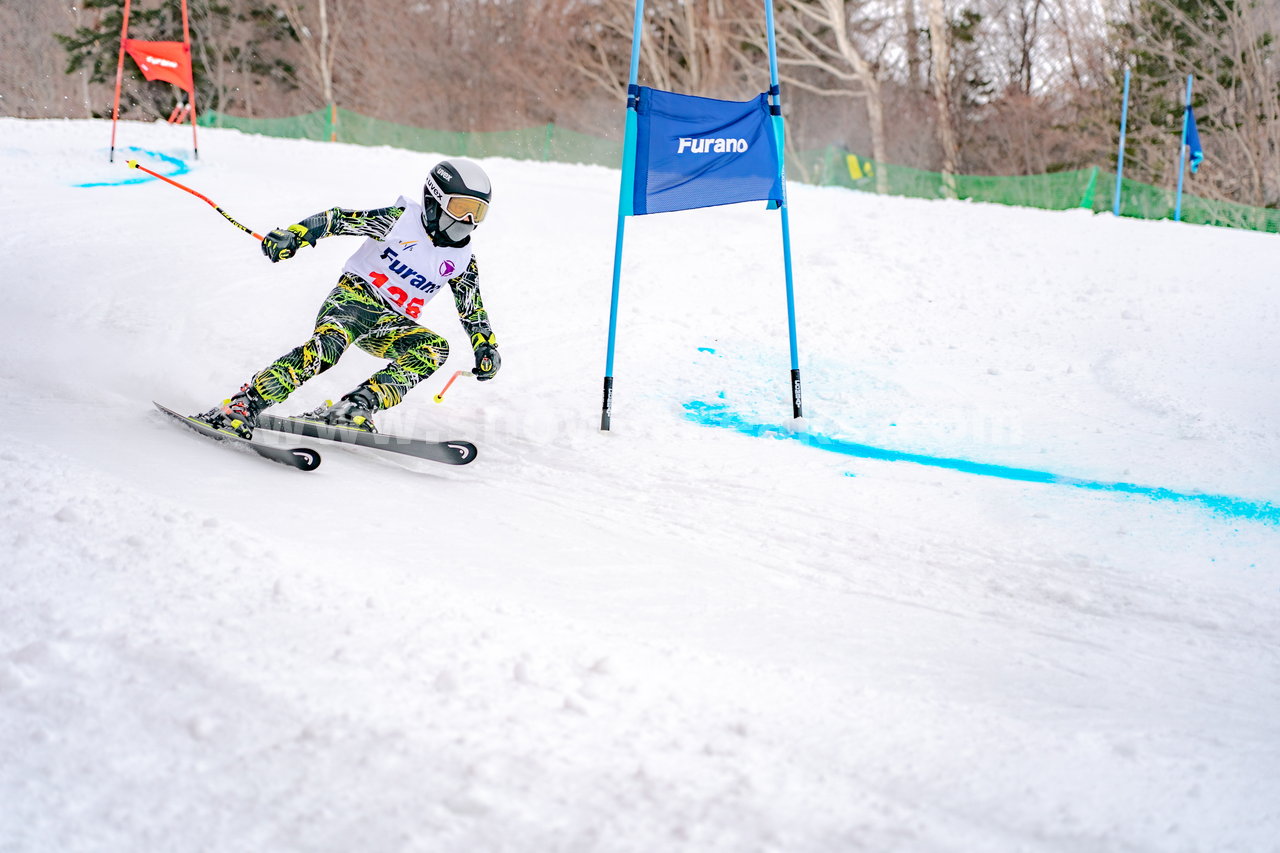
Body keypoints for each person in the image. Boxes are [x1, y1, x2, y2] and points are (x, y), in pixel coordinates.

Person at [193, 158, 500, 438]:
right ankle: (244, 404)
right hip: (352, 301)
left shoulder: (461, 260)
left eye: (478, 212)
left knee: (433, 349)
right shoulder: (399, 220)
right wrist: (296, 234)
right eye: (461, 208)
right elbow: (338, 220)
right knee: (327, 349)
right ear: (435, 201)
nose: (469, 219)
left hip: (388, 324)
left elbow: (472, 310)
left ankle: (355, 406)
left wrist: (485, 346)